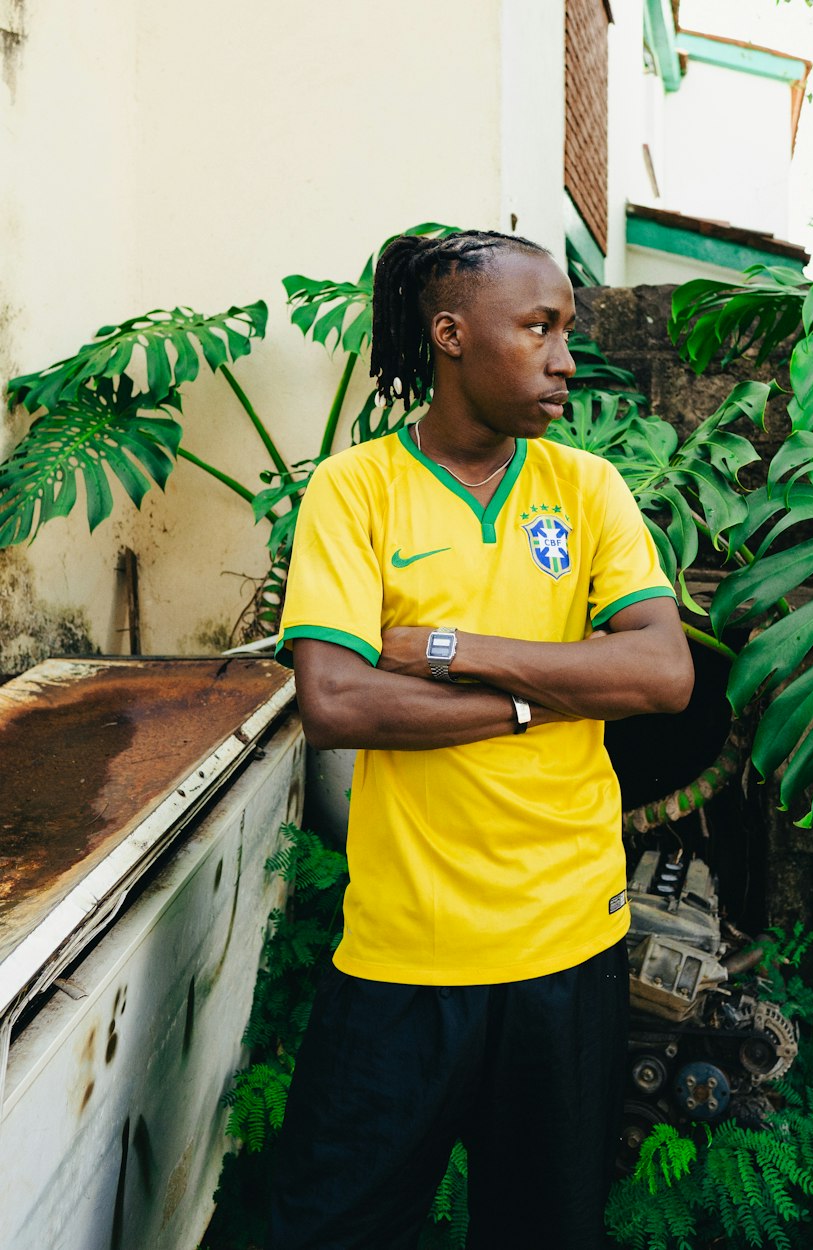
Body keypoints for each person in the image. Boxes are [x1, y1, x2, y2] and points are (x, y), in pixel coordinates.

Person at [270, 229, 694, 1250]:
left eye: (568, 330)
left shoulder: (586, 489)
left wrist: (453, 649)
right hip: (401, 956)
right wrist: (541, 697)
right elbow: (337, 700)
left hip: (568, 948)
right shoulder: (356, 489)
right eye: (539, 327)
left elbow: (661, 672)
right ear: (452, 335)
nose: (564, 357)